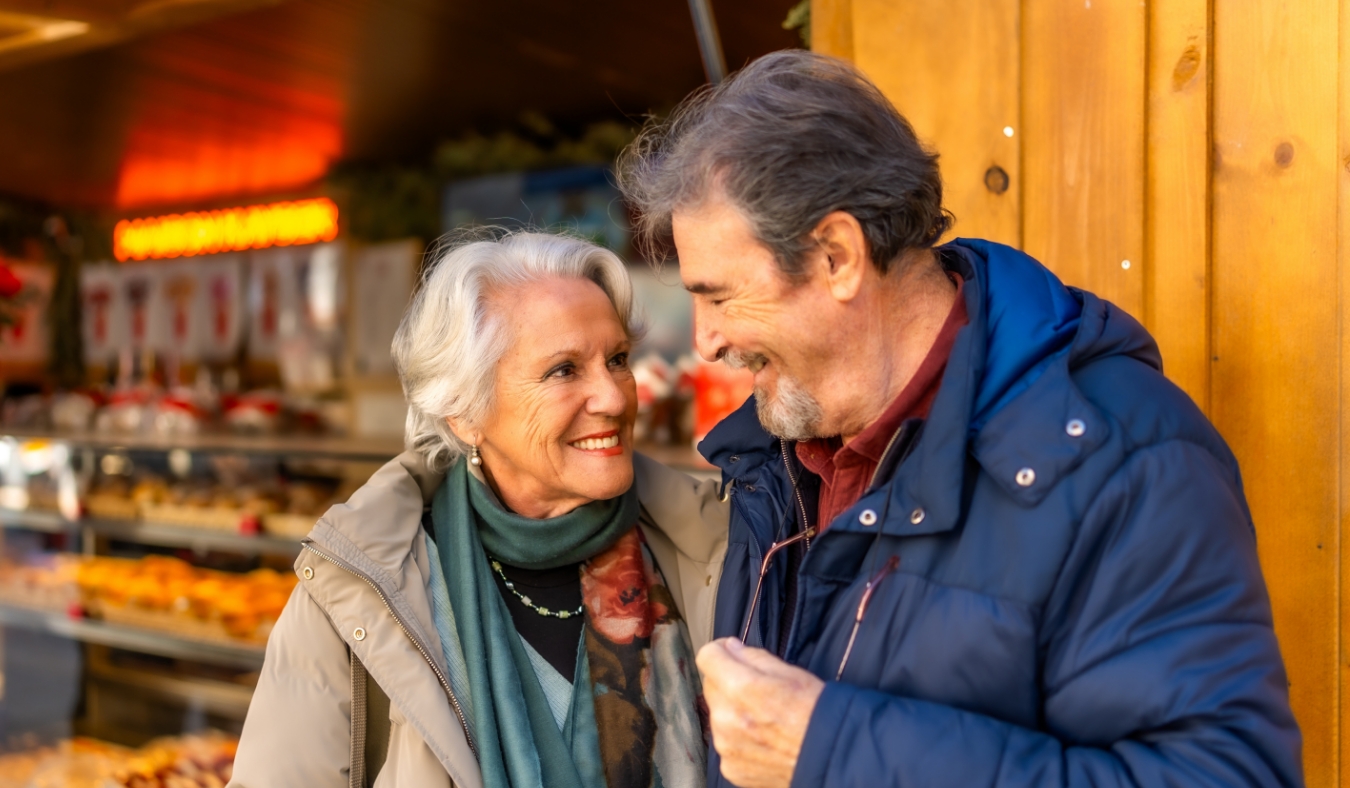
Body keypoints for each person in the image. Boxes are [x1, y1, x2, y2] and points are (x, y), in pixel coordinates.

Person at [616, 50, 1304, 788]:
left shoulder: (1126, 460)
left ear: (837, 256)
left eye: (719, 295)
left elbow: (1224, 776)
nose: (705, 339)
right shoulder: (777, 457)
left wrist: (834, 751)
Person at [230, 231, 728, 788]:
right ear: (464, 413)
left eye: (616, 359)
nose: (614, 397)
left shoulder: (715, 549)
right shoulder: (359, 592)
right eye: (564, 370)